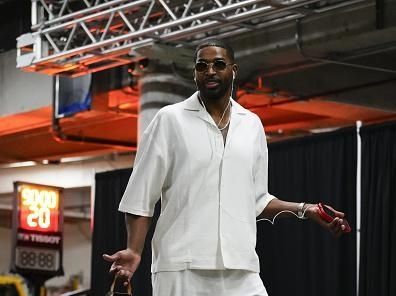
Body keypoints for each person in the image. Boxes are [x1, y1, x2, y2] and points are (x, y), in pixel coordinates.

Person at [103, 39, 347, 296]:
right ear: (194, 73)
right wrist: (133, 249)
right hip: (181, 267)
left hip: (241, 267)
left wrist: (305, 210)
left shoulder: (251, 125)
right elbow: (142, 194)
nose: (210, 71)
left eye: (219, 64)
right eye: (202, 66)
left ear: (233, 70)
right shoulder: (169, 119)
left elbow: (257, 201)